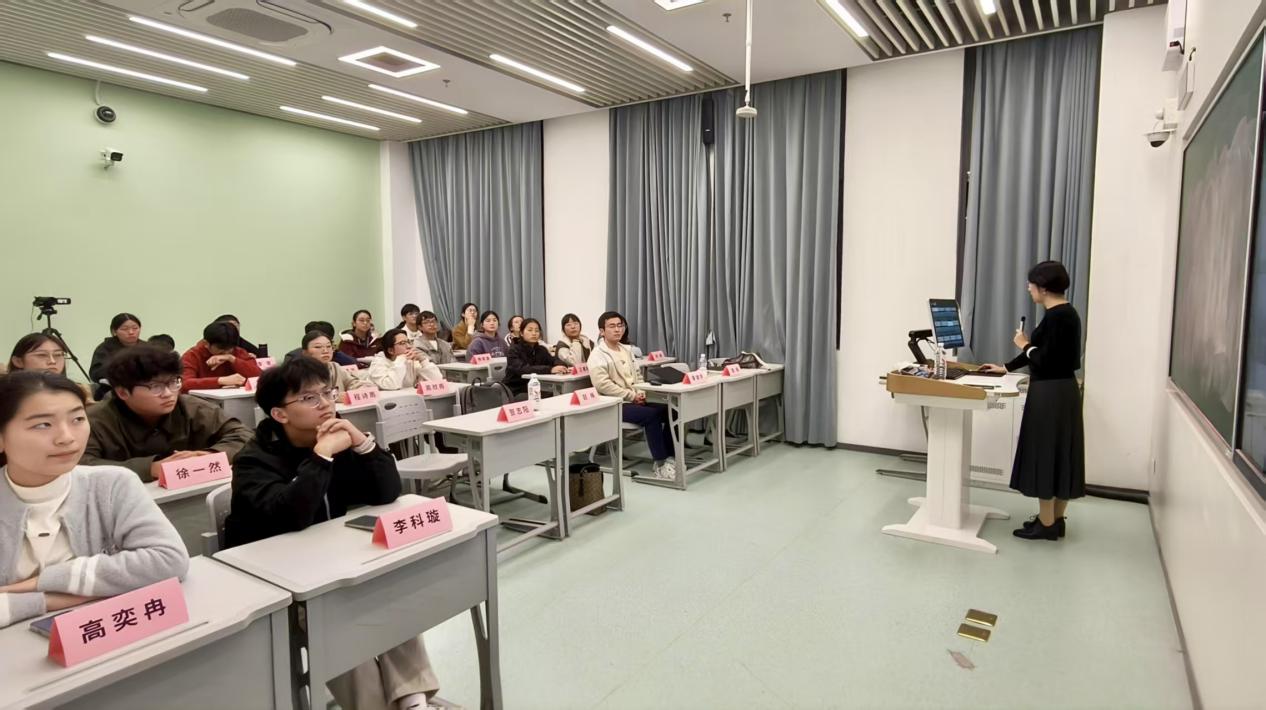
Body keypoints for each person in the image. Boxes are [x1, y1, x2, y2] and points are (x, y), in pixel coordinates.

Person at [222, 358, 441, 709]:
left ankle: (413, 700)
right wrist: (321, 456)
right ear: (279, 414)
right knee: (335, 620)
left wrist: (362, 443)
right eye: (310, 398)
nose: (325, 403)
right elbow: (291, 515)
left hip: (331, 561)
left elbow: (386, 492)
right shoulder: (254, 460)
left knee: (388, 591)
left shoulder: (333, 438)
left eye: (328, 393)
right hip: (276, 582)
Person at [0, 371, 189, 629]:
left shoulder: (112, 484)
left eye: (77, 419)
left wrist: (37, 585)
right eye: (42, 425)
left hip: (110, 637)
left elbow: (169, 561)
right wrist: (51, 600)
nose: (67, 437)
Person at [979, 260, 1085, 541]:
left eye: (1031, 284)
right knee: (1061, 456)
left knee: (1045, 455)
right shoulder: (1066, 313)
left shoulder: (1057, 317)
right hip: (1063, 392)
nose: (1028, 288)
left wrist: (1024, 343)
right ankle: (1055, 520)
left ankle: (1046, 525)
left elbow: (1044, 359)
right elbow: (1043, 353)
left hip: (1049, 394)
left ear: (1044, 288)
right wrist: (1006, 367)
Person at [81, 345, 253, 482]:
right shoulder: (93, 421)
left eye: (173, 383)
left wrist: (210, 455)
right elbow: (81, 464)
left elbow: (243, 434)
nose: (168, 393)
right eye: (155, 387)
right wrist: (149, 468)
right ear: (123, 392)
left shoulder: (190, 407)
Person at [587, 311, 676, 481]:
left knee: (672, 411)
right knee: (651, 415)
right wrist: (631, 396)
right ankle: (660, 464)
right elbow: (603, 385)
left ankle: (670, 457)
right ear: (602, 331)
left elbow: (638, 376)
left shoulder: (626, 350)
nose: (617, 329)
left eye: (620, 325)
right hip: (614, 404)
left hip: (634, 398)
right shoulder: (597, 354)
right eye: (612, 326)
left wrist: (640, 393)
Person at [6, 334, 95, 401]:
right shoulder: (6, 393)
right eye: (41, 355)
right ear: (18, 361)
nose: (52, 361)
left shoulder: (78, 390)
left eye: (58, 355)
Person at [180, 321, 263, 393]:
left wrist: (231, 359)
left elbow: (259, 376)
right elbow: (184, 383)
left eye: (230, 349)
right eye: (221, 350)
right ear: (206, 344)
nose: (226, 353)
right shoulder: (192, 355)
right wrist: (221, 381)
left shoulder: (237, 352)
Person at [506, 319, 568, 397]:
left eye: (537, 331)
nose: (534, 333)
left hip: (537, 387)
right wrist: (550, 369)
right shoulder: (514, 350)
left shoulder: (541, 349)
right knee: (549, 396)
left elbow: (553, 361)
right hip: (516, 389)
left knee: (560, 394)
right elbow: (523, 369)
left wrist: (562, 366)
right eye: (530, 330)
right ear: (521, 333)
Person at [368, 329, 442, 390]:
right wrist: (401, 359)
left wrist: (423, 360)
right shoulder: (378, 363)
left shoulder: (411, 361)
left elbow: (437, 381)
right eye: (402, 343)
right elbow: (391, 385)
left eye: (409, 342)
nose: (409, 346)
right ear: (390, 350)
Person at [303, 331, 373, 394]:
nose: (325, 351)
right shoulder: (301, 372)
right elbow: (309, 395)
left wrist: (362, 387)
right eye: (318, 347)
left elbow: (352, 383)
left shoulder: (335, 366)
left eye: (328, 346)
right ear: (305, 352)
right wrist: (336, 397)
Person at [88, 312, 142, 395]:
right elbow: (96, 372)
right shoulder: (105, 348)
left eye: (135, 328)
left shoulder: (147, 347)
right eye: (124, 329)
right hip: (114, 388)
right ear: (114, 331)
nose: (131, 332)